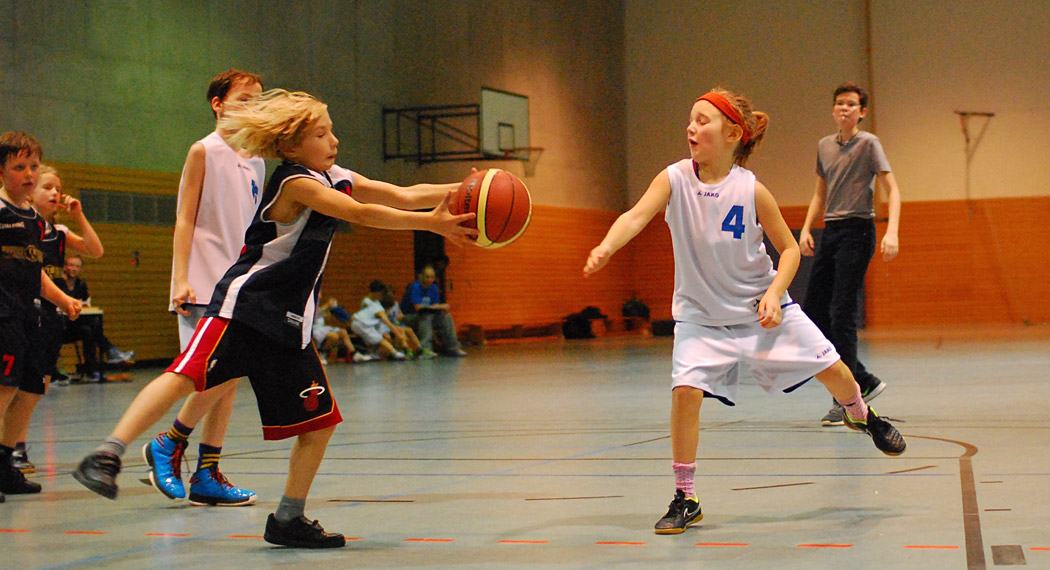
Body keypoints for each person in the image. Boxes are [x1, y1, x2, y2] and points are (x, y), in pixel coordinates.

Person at [71, 89, 477, 547]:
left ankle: (287, 518)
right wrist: (431, 223)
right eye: (321, 134)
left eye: (332, 131)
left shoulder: (335, 176)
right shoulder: (294, 183)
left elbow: (403, 193)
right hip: (247, 307)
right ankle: (106, 455)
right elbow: (360, 213)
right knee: (185, 376)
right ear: (290, 146)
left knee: (320, 423)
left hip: (289, 323)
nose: (334, 141)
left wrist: (467, 190)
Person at [583, 89, 906, 535]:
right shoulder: (674, 178)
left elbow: (789, 250)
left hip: (759, 307)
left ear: (733, 134)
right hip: (700, 317)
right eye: (690, 119)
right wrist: (606, 245)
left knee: (836, 370)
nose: (691, 127)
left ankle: (860, 414)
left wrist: (775, 292)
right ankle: (685, 496)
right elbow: (635, 216)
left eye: (702, 120)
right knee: (685, 393)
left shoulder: (751, 189)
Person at [144, 69, 263, 508]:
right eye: (245, 98)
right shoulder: (203, 150)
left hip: (237, 284)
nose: (254, 106)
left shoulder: (257, 160)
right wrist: (180, 278)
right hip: (201, 283)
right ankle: (167, 444)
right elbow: (184, 218)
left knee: (229, 379)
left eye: (259, 99)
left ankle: (207, 474)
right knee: (208, 378)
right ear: (218, 104)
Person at [797, 83, 902, 427]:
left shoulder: (869, 144)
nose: (845, 108)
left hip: (859, 231)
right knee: (814, 312)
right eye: (840, 103)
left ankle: (845, 400)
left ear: (862, 112)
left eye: (851, 104)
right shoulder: (824, 146)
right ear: (833, 109)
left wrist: (892, 231)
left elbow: (892, 190)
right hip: (831, 230)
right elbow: (819, 193)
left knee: (842, 312)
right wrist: (806, 229)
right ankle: (863, 379)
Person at [1, 165, 104, 475]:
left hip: (47, 317)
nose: (55, 193)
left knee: (34, 385)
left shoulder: (56, 232)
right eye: (47, 187)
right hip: (19, 310)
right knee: (9, 385)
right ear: (30, 191)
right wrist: (62, 298)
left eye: (58, 188)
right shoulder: (16, 222)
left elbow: (95, 250)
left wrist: (79, 216)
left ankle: (13, 449)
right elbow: (34, 273)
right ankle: (10, 450)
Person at [0, 131, 83, 501]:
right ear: (1, 172)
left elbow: (34, 272)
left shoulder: (34, 220)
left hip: (28, 314)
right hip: (2, 312)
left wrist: (64, 299)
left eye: (33, 166)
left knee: (29, 386)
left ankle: (5, 463)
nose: (29, 174)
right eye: (19, 167)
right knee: (3, 387)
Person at [55, 256, 134, 381]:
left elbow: (85, 303)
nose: (73, 269)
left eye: (77, 266)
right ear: (65, 267)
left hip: (74, 324)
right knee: (92, 324)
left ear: (80, 269)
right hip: (58, 327)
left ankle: (91, 371)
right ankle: (110, 350)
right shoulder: (57, 283)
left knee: (88, 330)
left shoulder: (81, 284)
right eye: (71, 265)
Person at [401, 265, 467, 358]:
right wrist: (436, 307)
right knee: (425, 316)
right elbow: (418, 308)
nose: (429, 280)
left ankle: (453, 348)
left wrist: (442, 308)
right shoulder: (415, 287)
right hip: (409, 317)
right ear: (421, 277)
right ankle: (425, 350)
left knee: (445, 317)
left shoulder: (434, 288)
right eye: (427, 277)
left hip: (427, 316)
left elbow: (436, 306)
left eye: (432, 277)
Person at [350, 281, 408, 361]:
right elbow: (388, 323)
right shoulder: (376, 307)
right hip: (362, 325)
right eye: (382, 294)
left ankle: (375, 353)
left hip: (363, 323)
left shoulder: (372, 302)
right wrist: (398, 335)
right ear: (378, 293)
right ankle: (395, 353)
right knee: (380, 339)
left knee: (376, 338)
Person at [313, 296, 371, 364]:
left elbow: (327, 316)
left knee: (343, 332)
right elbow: (315, 314)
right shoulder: (311, 306)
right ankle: (321, 352)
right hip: (313, 329)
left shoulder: (319, 307)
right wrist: (327, 305)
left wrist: (333, 308)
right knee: (334, 336)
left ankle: (354, 354)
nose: (320, 296)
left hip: (322, 329)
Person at [378, 292, 421, 357]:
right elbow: (384, 323)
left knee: (409, 330)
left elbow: (400, 315)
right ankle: (405, 348)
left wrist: (400, 316)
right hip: (386, 327)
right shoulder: (380, 310)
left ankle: (419, 348)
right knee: (400, 331)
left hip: (394, 325)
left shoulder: (395, 304)